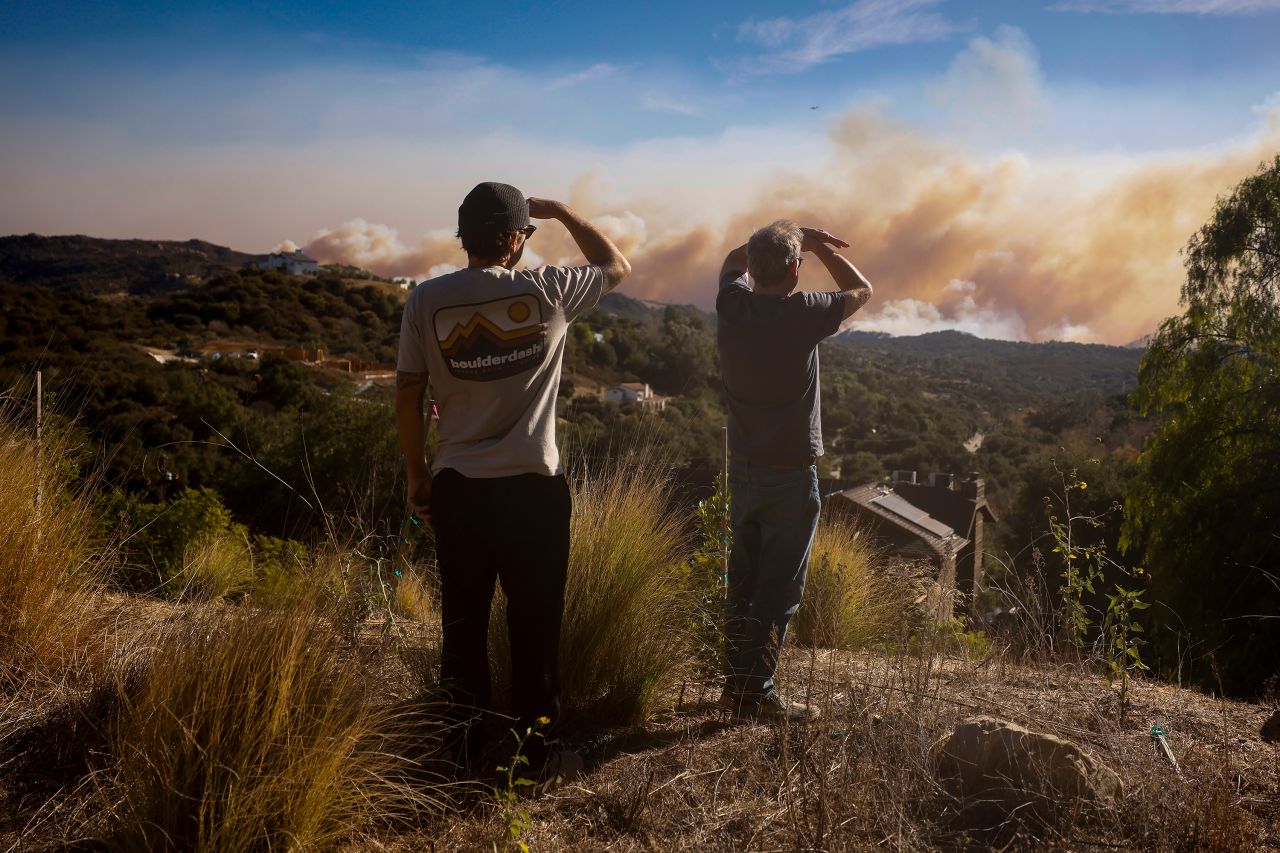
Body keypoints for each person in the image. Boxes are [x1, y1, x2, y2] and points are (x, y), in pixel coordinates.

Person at [395, 181, 630, 777]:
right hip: (532, 488)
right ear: (514, 239)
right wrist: (559, 212)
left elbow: (407, 391)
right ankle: (535, 757)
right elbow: (615, 265)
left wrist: (418, 474)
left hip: (459, 488)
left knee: (463, 625)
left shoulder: (425, 300)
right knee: (535, 626)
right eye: (523, 231)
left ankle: (461, 748)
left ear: (464, 237)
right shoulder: (547, 288)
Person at [715, 219, 872, 721]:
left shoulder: (731, 305)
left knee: (743, 579)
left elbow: (731, 262)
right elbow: (861, 290)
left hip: (742, 469)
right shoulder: (803, 312)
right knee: (779, 586)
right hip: (788, 474)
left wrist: (777, 244)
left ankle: (736, 686)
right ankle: (755, 694)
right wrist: (820, 245)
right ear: (796, 270)